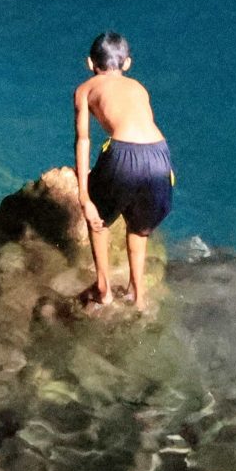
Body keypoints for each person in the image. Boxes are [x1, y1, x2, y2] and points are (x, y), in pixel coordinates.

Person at [74, 31, 174, 312]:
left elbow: (83, 139)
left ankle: (103, 289)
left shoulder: (86, 89)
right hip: (159, 154)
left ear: (90, 63)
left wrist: (84, 196)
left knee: (100, 220)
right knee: (139, 228)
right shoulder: (139, 88)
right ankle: (137, 296)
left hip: (124, 153)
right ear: (127, 64)